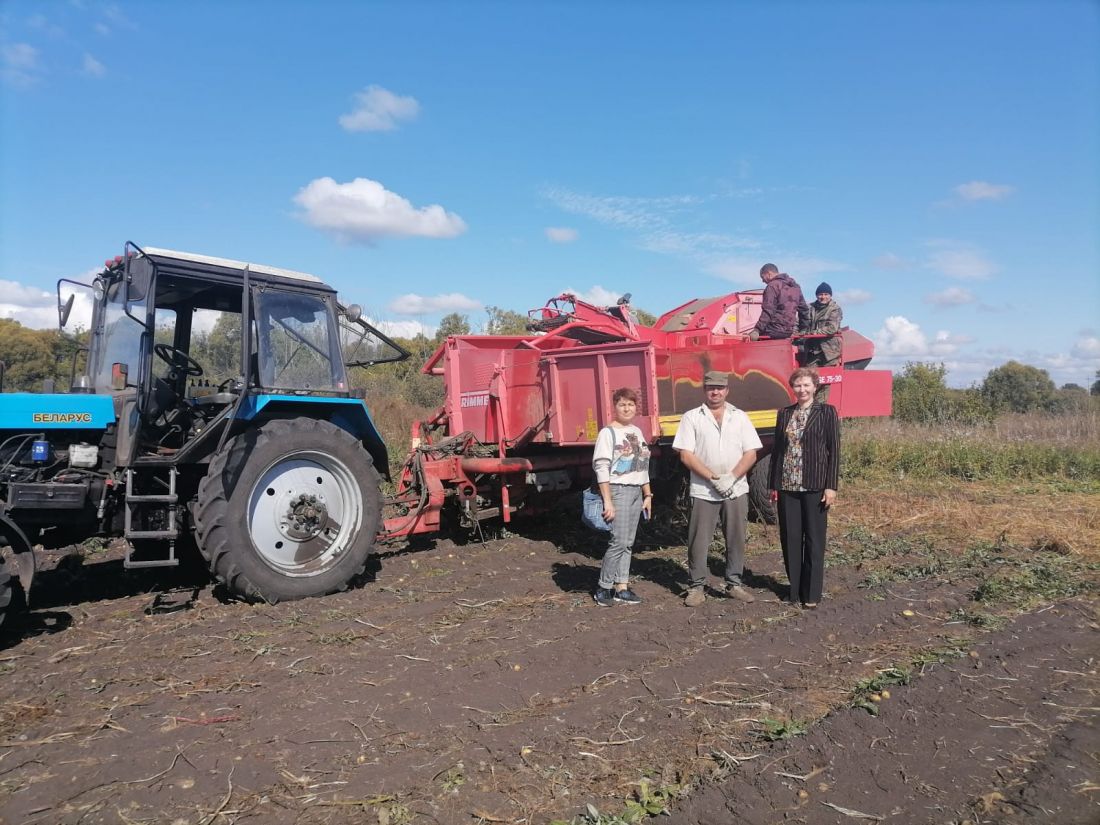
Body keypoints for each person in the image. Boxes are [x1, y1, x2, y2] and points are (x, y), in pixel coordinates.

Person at [671, 370, 763, 607]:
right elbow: (686, 455)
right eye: (711, 387)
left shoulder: (740, 416)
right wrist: (713, 478)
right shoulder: (692, 417)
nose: (715, 391)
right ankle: (696, 587)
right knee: (699, 540)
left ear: (727, 390)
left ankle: (734, 584)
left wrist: (731, 478)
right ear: (705, 390)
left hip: (735, 488)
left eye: (720, 388)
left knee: (736, 537)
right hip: (704, 489)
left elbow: (751, 452)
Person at [768, 367, 840, 609]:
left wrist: (831, 486)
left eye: (806, 385)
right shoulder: (784, 413)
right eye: (798, 385)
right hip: (788, 485)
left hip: (815, 486)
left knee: (814, 539)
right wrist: (772, 484)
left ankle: (811, 593)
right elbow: (777, 452)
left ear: (815, 387)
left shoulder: (827, 412)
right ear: (793, 388)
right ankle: (794, 590)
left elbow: (834, 451)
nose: (802, 389)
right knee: (790, 538)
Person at [592, 387, 652, 607]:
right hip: (618, 490)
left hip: (636, 491)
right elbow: (602, 467)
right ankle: (604, 587)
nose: (627, 408)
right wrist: (607, 500)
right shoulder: (608, 433)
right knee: (618, 541)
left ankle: (622, 587)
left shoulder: (636, 431)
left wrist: (648, 494)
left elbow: (643, 465)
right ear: (614, 407)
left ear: (636, 408)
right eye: (622, 404)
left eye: (631, 404)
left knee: (628, 542)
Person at [803, 282, 844, 402]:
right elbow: (800, 323)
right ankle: (810, 407)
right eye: (821, 294)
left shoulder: (835, 309)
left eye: (826, 294)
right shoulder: (809, 308)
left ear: (830, 296)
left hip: (830, 352)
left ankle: (820, 410)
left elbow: (832, 328)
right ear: (816, 295)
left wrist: (813, 333)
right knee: (809, 380)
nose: (823, 297)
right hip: (812, 351)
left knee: (825, 382)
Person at [749, 263, 810, 341]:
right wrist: (803, 329)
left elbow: (768, 310)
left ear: (769, 274)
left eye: (762, 277)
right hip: (788, 332)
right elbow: (804, 309)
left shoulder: (772, 286)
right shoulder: (795, 287)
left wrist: (757, 330)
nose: (762, 281)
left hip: (772, 330)